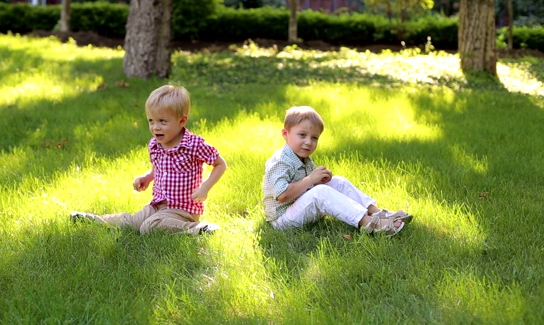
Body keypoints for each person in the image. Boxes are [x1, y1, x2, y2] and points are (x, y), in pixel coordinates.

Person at [70, 84, 227, 235]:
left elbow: (220, 164)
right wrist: (147, 176)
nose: (155, 127)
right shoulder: (155, 144)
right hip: (158, 205)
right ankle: (98, 220)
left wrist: (205, 188)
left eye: (162, 121)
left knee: (148, 228)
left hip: (183, 209)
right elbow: (158, 168)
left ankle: (196, 228)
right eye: (151, 121)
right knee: (132, 222)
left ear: (182, 121)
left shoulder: (194, 144)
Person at [262, 106, 412, 236]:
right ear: (285, 134)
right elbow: (282, 195)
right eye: (302, 135)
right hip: (282, 220)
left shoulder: (303, 158)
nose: (309, 142)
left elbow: (309, 187)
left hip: (299, 209)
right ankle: (369, 224)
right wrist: (310, 180)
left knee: (338, 182)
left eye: (314, 138)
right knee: (320, 192)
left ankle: (375, 212)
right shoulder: (280, 162)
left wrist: (321, 179)